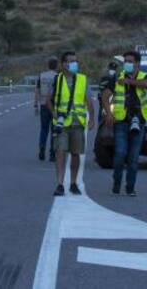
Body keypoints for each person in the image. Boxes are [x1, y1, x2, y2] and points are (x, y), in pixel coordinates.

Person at [48, 50, 96, 197]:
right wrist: (54, 114)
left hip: (78, 123)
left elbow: (88, 100)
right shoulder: (57, 80)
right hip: (62, 124)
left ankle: (73, 183)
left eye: (74, 61)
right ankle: (60, 184)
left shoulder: (82, 79)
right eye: (69, 61)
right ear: (63, 64)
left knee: (76, 154)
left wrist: (92, 118)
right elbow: (48, 100)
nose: (72, 64)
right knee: (60, 152)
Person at [109, 50, 147, 196]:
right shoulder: (117, 77)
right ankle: (116, 181)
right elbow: (105, 94)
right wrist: (108, 114)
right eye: (125, 61)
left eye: (130, 61)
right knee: (120, 153)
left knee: (134, 158)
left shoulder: (144, 76)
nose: (127, 64)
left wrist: (129, 82)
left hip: (139, 121)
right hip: (121, 120)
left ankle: (130, 187)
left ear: (137, 64)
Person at [34, 57, 59, 161]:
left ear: (48, 65)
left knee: (44, 129)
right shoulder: (58, 77)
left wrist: (36, 104)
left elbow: (37, 90)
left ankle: (42, 148)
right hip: (55, 106)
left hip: (44, 104)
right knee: (54, 130)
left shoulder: (42, 76)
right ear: (56, 66)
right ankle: (52, 153)